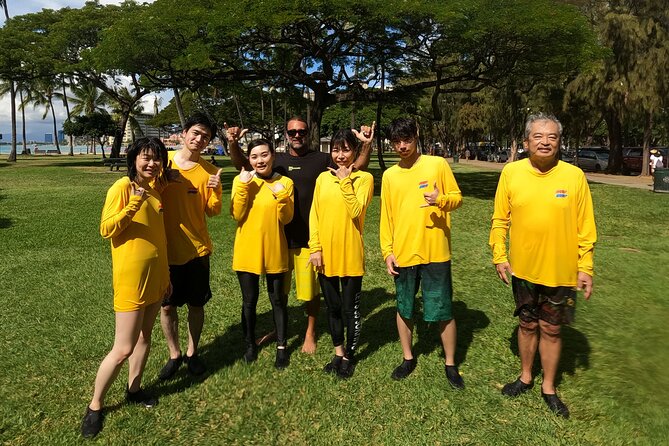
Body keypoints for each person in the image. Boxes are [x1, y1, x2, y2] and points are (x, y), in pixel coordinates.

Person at [228, 117, 374, 354]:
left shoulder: (322, 159)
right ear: (286, 135)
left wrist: (366, 145)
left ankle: (310, 331)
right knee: (280, 293)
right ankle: (281, 329)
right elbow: (245, 165)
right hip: (281, 239)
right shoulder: (277, 161)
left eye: (301, 131)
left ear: (308, 132)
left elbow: (353, 167)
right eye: (292, 132)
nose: (297, 135)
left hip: (309, 239)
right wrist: (233, 143)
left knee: (310, 293)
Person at [490, 113, 597, 419]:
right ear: (526, 142)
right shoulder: (511, 173)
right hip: (523, 270)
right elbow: (500, 220)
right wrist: (500, 254)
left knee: (551, 329)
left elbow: (585, 227)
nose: (545, 142)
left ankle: (548, 387)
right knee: (526, 324)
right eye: (538, 136)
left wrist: (585, 266)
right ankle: (525, 376)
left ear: (559, 142)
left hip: (561, 271)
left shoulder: (574, 176)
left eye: (552, 137)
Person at [81, 137, 172, 438]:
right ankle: (95, 406)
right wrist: (135, 201)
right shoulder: (122, 188)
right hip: (132, 280)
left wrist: (166, 276)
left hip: (156, 278)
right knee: (122, 349)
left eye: (157, 158)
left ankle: (134, 389)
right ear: (133, 159)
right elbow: (106, 229)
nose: (151, 163)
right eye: (146, 157)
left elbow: (159, 237)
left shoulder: (157, 189)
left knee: (145, 337)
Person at [379, 117, 465, 389]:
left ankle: (450, 363)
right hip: (403, 252)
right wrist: (387, 252)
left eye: (407, 140)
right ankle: (407, 357)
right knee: (404, 306)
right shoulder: (390, 175)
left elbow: (457, 198)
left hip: (435, 251)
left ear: (416, 136)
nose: (402, 146)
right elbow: (386, 218)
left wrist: (440, 200)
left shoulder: (437, 164)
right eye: (397, 142)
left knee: (442, 308)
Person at [157, 112, 223, 380]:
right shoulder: (163, 163)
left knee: (197, 305)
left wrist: (216, 190)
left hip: (197, 250)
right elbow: (146, 192)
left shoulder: (208, 170)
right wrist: (163, 180)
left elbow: (213, 212)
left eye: (205, 137)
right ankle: (174, 354)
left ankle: (192, 352)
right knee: (166, 306)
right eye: (195, 133)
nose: (199, 139)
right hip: (165, 249)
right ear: (184, 133)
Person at [308, 129, 374, 378]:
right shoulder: (323, 179)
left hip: (350, 254)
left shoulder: (365, 179)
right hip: (324, 255)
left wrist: (346, 180)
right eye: (336, 149)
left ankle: (350, 355)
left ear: (355, 151)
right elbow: (314, 215)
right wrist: (315, 248)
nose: (340, 155)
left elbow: (356, 211)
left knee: (350, 310)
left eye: (346, 149)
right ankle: (338, 352)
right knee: (332, 308)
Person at [231, 139, 294, 368]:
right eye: (255, 156)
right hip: (247, 251)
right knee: (249, 301)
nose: (260, 160)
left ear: (273, 156)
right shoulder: (243, 180)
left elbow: (286, 218)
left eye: (264, 155)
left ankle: (281, 347)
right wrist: (242, 186)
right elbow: (237, 214)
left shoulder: (284, 182)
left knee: (278, 300)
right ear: (249, 160)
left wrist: (282, 197)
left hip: (275, 249)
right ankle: (249, 344)